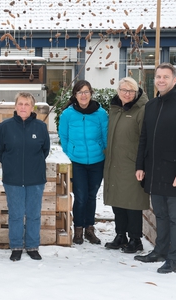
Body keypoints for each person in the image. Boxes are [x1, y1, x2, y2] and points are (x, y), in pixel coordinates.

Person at [134, 63, 176, 274]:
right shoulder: (151, 106)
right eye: (158, 76)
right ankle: (159, 251)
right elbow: (144, 139)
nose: (161, 80)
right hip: (153, 171)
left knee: (175, 217)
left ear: (174, 80)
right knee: (160, 214)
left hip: (174, 173)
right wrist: (140, 165)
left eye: (166, 77)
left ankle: (173, 260)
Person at [0, 92, 50, 261]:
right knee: (16, 214)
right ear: (15, 106)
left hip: (35, 179)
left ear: (32, 107)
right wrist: (10, 164)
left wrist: (33, 165)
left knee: (33, 214)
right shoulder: (5, 126)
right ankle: (16, 246)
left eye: (27, 104)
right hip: (13, 179)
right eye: (20, 104)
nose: (23, 107)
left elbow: (45, 150)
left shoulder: (40, 127)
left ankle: (32, 246)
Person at [58, 80, 108, 245]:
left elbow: (105, 136)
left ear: (91, 93)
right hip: (77, 161)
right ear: (75, 95)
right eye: (80, 92)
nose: (84, 95)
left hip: (97, 161)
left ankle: (89, 229)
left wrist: (104, 150)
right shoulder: (67, 114)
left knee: (91, 196)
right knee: (80, 196)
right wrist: (69, 153)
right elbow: (63, 137)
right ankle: (78, 229)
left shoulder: (101, 114)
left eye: (86, 92)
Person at [103, 77, 149, 253]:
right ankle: (120, 235)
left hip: (132, 164)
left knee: (133, 203)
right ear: (118, 91)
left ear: (136, 93)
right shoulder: (115, 109)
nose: (127, 94)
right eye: (123, 90)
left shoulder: (142, 110)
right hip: (115, 162)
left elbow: (144, 138)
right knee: (118, 202)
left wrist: (142, 164)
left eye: (131, 91)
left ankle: (135, 239)